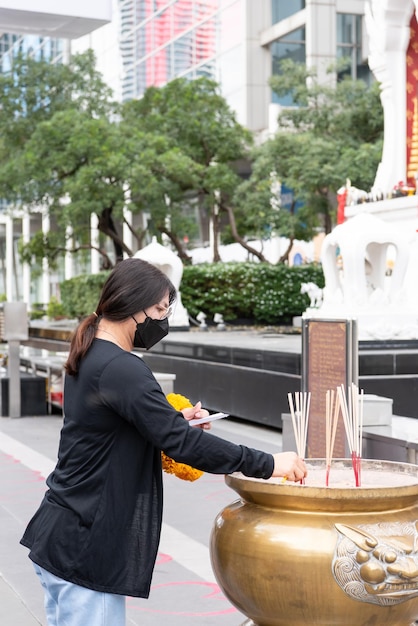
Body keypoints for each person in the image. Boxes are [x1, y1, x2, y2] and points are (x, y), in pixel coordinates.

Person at [20, 257, 307, 626]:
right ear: (132, 304)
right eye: (158, 310)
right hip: (86, 547)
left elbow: (110, 428)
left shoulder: (92, 351)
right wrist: (268, 463)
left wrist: (170, 420)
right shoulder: (122, 367)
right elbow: (183, 445)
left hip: (61, 534)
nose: (162, 322)